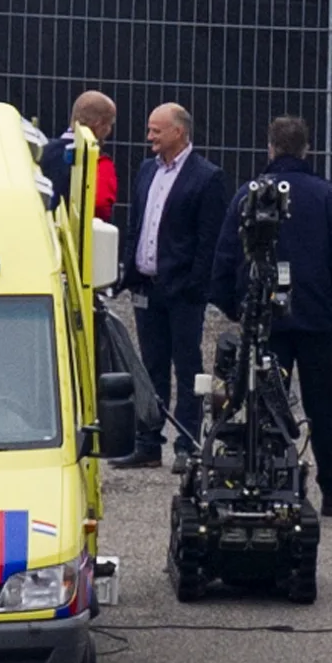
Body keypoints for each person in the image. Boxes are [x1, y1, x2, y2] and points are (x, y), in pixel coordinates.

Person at [239, 116, 332, 516]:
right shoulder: (328, 197)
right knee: (323, 402)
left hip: (268, 321)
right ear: (307, 149)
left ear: (270, 148)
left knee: (264, 402)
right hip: (320, 320)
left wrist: (241, 309)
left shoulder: (249, 195)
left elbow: (229, 259)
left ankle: (269, 481)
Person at [115, 100, 230, 467]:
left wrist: (194, 286)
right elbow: (138, 223)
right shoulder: (147, 170)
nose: (149, 136)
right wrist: (130, 272)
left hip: (182, 291)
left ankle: (187, 443)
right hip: (147, 288)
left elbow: (208, 239)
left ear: (178, 132)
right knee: (150, 367)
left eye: (156, 130)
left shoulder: (206, 176)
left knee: (187, 366)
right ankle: (148, 441)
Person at [38, 91, 121, 220]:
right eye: (109, 124)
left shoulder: (41, 152)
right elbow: (101, 208)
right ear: (99, 124)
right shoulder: (97, 161)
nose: (109, 131)